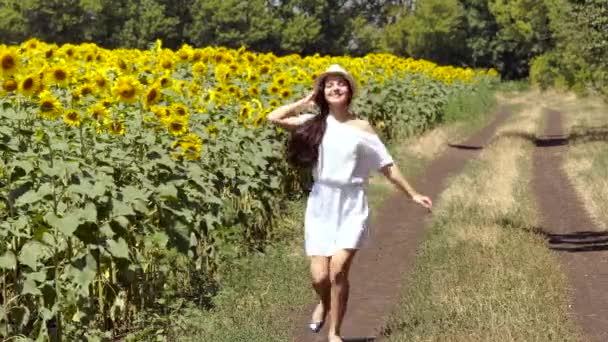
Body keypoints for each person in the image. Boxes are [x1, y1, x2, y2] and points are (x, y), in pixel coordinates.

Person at [267, 64, 432, 341]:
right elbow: (274, 117)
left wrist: (412, 194)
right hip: (321, 203)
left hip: (352, 203)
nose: (335, 88)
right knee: (320, 277)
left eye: (340, 84)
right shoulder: (315, 122)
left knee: (338, 270)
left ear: (350, 90)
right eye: (329, 84)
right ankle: (325, 302)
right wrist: (305, 101)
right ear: (323, 92)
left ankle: (335, 333)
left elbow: (386, 165)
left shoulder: (362, 127)